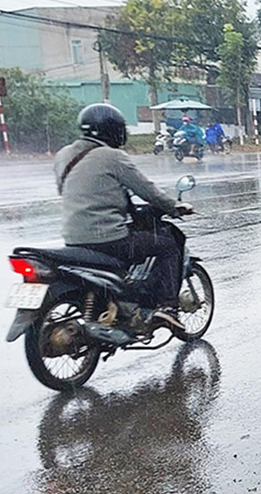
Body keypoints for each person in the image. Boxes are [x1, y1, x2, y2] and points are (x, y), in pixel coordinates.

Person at [53, 103, 193, 331]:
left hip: (73, 240)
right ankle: (168, 308)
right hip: (108, 239)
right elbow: (147, 190)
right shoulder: (112, 157)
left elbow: (71, 191)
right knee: (167, 246)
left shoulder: (63, 155)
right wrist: (175, 207)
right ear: (113, 131)